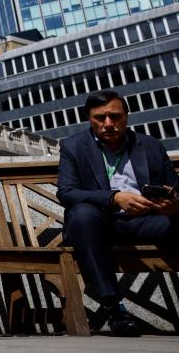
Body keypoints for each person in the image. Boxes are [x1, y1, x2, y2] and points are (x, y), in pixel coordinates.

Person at [57, 89, 179, 336]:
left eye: (115, 116)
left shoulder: (151, 145)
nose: (108, 124)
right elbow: (67, 192)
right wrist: (114, 198)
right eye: (100, 118)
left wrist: (174, 203)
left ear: (127, 117)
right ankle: (113, 309)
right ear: (89, 119)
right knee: (81, 215)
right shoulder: (73, 146)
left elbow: (174, 186)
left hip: (147, 221)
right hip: (100, 224)